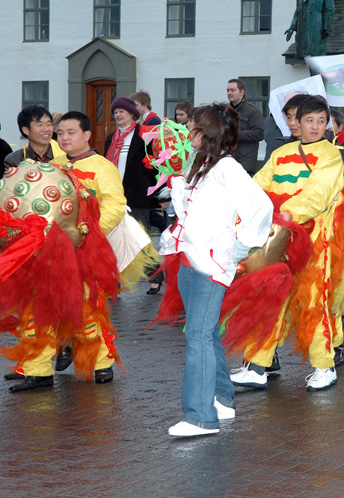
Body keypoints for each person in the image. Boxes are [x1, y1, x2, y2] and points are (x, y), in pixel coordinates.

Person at [161, 103, 273, 437]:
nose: (187, 131)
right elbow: (189, 216)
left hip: (212, 263)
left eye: (193, 127)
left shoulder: (227, 167)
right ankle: (222, 400)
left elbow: (261, 206)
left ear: (207, 132)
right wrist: (179, 186)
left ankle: (200, 416)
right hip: (190, 258)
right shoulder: (202, 164)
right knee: (205, 332)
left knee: (197, 333)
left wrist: (239, 248)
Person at [231, 95, 344, 391]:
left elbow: (318, 194)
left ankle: (324, 366)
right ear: (297, 122)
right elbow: (257, 185)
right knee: (270, 300)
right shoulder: (281, 153)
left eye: (322, 121)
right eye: (310, 120)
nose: (316, 126)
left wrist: (287, 212)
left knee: (312, 302)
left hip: (314, 244)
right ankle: (256, 366)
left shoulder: (331, 155)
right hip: (278, 242)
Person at [7, 111, 129, 391]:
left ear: (87, 135)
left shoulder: (102, 166)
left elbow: (115, 204)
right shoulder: (54, 165)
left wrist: (86, 232)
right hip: (48, 252)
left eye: (70, 132)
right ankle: (38, 370)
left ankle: (100, 364)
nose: (63, 137)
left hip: (85, 251)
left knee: (87, 308)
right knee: (39, 308)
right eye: (60, 133)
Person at [104, 96, 163, 294]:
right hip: (114, 196)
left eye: (121, 111)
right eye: (115, 112)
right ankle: (114, 281)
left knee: (140, 238)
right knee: (113, 239)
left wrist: (158, 191)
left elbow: (156, 165)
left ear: (132, 114)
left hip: (138, 195)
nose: (118, 115)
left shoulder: (144, 135)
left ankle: (154, 276)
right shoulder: (111, 138)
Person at [4, 105, 63, 170]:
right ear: (26, 130)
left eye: (49, 124)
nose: (46, 129)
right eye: (39, 125)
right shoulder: (15, 160)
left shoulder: (64, 155)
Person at [227, 78, 265, 175]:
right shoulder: (225, 111)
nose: (229, 93)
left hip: (244, 164)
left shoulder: (253, 111)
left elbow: (259, 134)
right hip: (226, 161)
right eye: (228, 90)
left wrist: (235, 134)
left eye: (233, 90)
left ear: (241, 92)